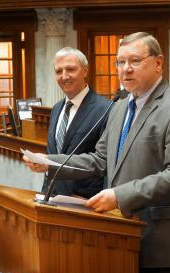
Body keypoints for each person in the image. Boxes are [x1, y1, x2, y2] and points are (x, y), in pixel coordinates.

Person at [25, 32, 170, 273]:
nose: (125, 69)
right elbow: (100, 159)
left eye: (134, 60)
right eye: (120, 62)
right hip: (124, 234)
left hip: (168, 244)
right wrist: (50, 162)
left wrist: (119, 195)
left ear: (158, 63)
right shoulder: (120, 107)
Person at [43, 47, 111, 198]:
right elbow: (53, 155)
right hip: (52, 198)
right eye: (58, 71)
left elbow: (104, 163)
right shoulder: (56, 109)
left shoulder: (106, 109)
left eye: (70, 69)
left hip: (84, 201)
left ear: (85, 71)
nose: (64, 76)